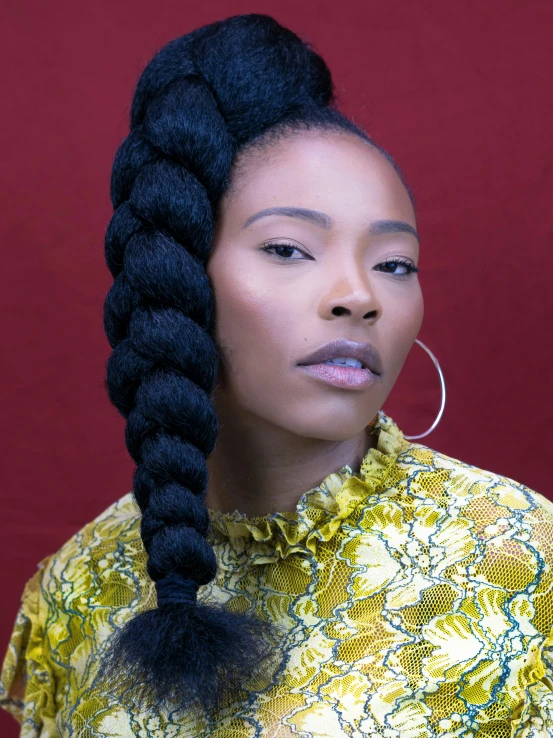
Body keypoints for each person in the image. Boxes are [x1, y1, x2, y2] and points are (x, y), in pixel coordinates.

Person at [1, 13, 552, 738]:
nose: (358, 295)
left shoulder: (522, 562)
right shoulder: (83, 583)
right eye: (290, 249)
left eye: (394, 264)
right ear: (175, 278)